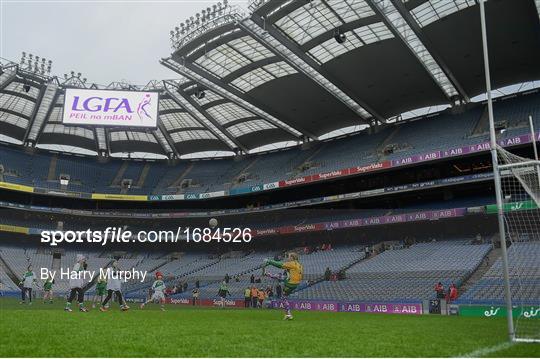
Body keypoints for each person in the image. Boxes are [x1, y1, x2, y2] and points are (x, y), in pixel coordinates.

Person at [263, 252, 303, 320]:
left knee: (279, 276)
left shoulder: (292, 263)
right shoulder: (299, 265)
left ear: (292, 258)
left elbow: (280, 265)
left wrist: (269, 261)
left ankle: (266, 274)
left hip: (290, 282)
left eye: (289, 257)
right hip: (295, 284)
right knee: (284, 297)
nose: (287, 258)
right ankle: (288, 314)